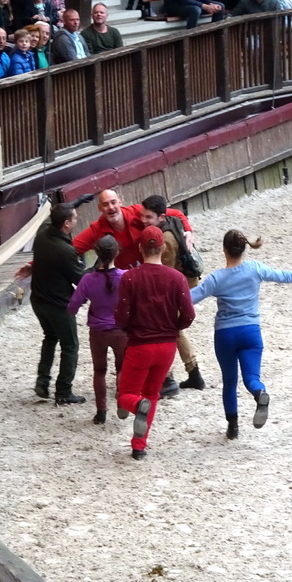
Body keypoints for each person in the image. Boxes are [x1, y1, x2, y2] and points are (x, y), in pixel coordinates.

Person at [190, 230, 292, 439]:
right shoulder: (254, 268)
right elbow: (284, 276)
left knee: (229, 381)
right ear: (244, 249)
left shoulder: (216, 279)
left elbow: (191, 297)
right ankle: (259, 393)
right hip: (250, 332)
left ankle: (233, 428)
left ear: (224, 250)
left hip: (225, 334)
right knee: (251, 377)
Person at [114, 226, 195, 460]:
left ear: (140, 248)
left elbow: (121, 316)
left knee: (126, 394)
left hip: (139, 344)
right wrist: (174, 328)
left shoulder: (130, 278)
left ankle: (137, 410)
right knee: (152, 393)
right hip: (167, 346)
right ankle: (139, 445)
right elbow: (188, 315)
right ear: (162, 248)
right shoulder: (177, 278)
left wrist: (130, 329)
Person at [139, 195, 206, 391]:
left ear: (161, 217)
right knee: (174, 331)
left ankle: (168, 378)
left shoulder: (165, 240)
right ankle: (192, 375)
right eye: (143, 216)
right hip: (184, 285)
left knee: (171, 331)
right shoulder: (172, 222)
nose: (143, 220)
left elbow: (163, 273)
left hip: (178, 290)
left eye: (148, 217)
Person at [27, 203, 86, 404]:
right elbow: (81, 280)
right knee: (70, 346)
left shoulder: (42, 235)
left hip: (38, 301)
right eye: (75, 218)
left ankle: (42, 382)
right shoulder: (65, 251)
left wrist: (74, 204)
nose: (77, 221)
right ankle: (63, 391)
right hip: (58, 305)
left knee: (50, 338)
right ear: (67, 224)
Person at [67, 235, 127, 424]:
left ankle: (101, 411)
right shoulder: (125, 276)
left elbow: (73, 306)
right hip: (120, 330)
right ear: (117, 252)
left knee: (99, 371)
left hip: (98, 331)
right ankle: (122, 400)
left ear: (96, 253)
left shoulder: (87, 280)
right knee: (122, 367)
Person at [73, 188, 192, 270]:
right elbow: (71, 250)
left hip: (150, 270)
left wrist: (188, 232)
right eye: (105, 204)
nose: (111, 207)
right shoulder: (97, 229)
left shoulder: (139, 212)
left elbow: (176, 213)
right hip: (125, 281)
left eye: (113, 202)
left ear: (120, 202)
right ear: (100, 208)